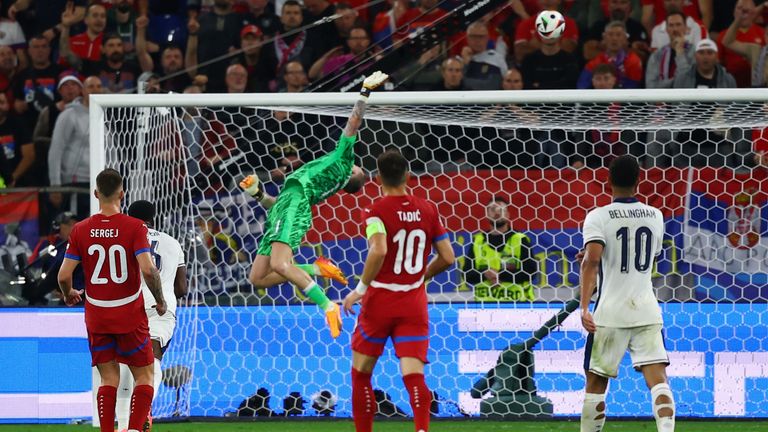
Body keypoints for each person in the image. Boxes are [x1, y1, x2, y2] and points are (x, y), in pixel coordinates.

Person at [239, 71, 390, 338]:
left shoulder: (343, 161)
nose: (356, 164)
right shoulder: (316, 183)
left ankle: (327, 305)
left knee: (282, 265)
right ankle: (317, 269)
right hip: (289, 205)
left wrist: (365, 91)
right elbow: (277, 206)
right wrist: (257, 193)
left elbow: (354, 121)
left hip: (294, 206)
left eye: (357, 167)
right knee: (258, 277)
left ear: (352, 174)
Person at [341, 149, 456, 432]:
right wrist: (422, 277)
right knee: (414, 376)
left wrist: (359, 289)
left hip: (380, 300)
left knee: (361, 374)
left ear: (378, 178)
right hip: (412, 302)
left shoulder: (375, 211)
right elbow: (448, 257)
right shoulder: (428, 208)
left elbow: (378, 249)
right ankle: (421, 430)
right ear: (408, 175)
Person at [57, 168, 166, 432]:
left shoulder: (81, 229)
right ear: (122, 194)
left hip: (97, 313)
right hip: (129, 312)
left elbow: (63, 275)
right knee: (145, 374)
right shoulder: (135, 227)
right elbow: (149, 269)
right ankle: (133, 429)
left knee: (108, 376)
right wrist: (160, 300)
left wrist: (68, 293)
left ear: (96, 194)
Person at [579, 155, 674, 432]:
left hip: (609, 311)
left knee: (596, 382)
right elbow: (647, 258)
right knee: (658, 380)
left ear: (607, 181)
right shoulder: (655, 215)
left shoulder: (598, 216)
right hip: (646, 307)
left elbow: (592, 261)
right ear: (638, 181)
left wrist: (584, 306)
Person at [114, 200, 188, 432]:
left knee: (125, 364)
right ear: (154, 218)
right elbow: (182, 289)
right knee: (152, 356)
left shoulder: (122, 240)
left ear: (128, 216)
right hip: (160, 307)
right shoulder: (173, 242)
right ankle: (143, 412)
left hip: (127, 305)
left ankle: (125, 423)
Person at [48, 76, 103, 219]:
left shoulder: (105, 116)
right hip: (76, 183)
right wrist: (55, 185)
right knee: (76, 228)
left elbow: (112, 150)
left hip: (99, 184)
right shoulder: (69, 115)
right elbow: (56, 150)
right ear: (83, 91)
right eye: (91, 86)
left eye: (98, 86)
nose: (95, 90)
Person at [463, 197, 537, 301]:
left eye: (501, 209)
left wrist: (499, 275)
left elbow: (531, 273)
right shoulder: (478, 241)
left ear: (508, 215)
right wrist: (485, 273)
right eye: (493, 209)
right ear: (487, 214)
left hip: (517, 305)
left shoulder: (520, 240)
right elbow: (467, 275)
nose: (497, 212)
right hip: (484, 307)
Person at [645, 11, 694, 88]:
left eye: (678, 24)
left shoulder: (694, 52)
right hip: (662, 99)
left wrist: (680, 54)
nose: (675, 29)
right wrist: (675, 80)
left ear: (685, 28)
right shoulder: (657, 55)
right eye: (671, 25)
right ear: (667, 29)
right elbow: (651, 86)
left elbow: (688, 83)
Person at [672, 39, 736, 88]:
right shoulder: (682, 78)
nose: (705, 57)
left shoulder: (728, 79)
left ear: (716, 56)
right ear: (695, 56)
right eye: (701, 53)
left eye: (710, 53)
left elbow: (734, 103)